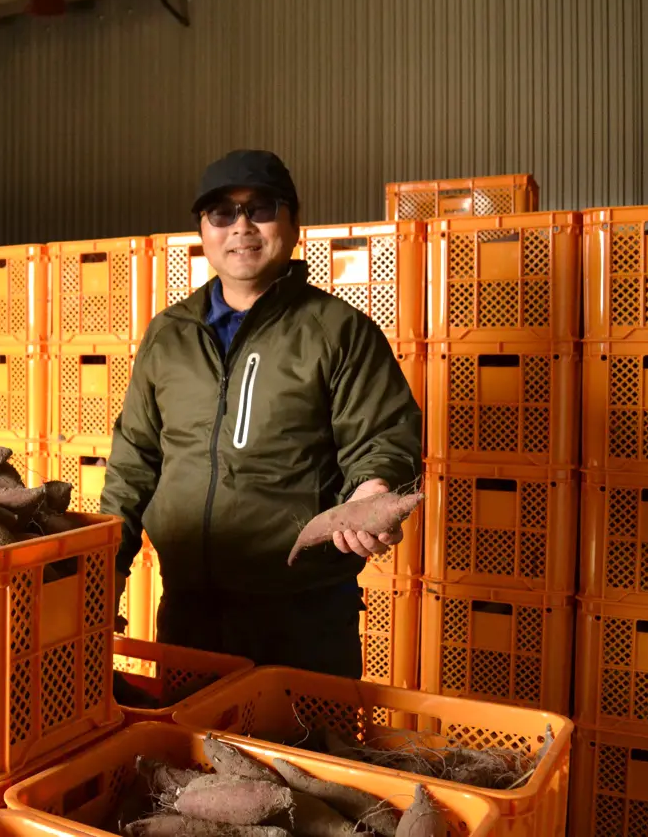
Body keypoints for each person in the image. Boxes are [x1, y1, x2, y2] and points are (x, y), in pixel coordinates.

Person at [100, 150, 423, 678]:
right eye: (222, 213)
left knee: (303, 756)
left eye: (261, 208)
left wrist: (372, 489)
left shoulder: (337, 330)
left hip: (302, 618)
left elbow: (384, 435)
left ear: (294, 224)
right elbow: (134, 459)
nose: (241, 227)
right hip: (189, 611)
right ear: (202, 231)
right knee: (196, 755)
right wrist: (109, 564)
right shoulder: (169, 335)